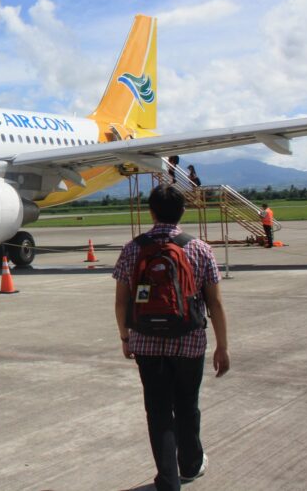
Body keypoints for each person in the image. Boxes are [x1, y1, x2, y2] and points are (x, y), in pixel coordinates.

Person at [113, 184, 230, 491]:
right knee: (187, 404)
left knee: (159, 410)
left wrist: (125, 337)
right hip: (188, 342)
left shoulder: (132, 248)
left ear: (151, 212)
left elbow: (121, 301)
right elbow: (214, 303)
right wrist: (223, 346)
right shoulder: (200, 249)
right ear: (183, 211)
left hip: (146, 342)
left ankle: (168, 481)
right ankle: (190, 465)